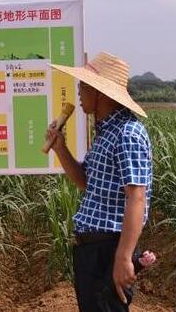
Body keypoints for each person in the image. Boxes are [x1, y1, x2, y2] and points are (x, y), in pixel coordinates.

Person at [45, 52, 153, 311]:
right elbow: (87, 183)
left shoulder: (127, 134)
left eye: (83, 86)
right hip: (92, 251)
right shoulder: (107, 133)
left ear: (100, 93)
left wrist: (124, 257)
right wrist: (60, 148)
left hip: (108, 249)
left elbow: (136, 197)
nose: (79, 92)